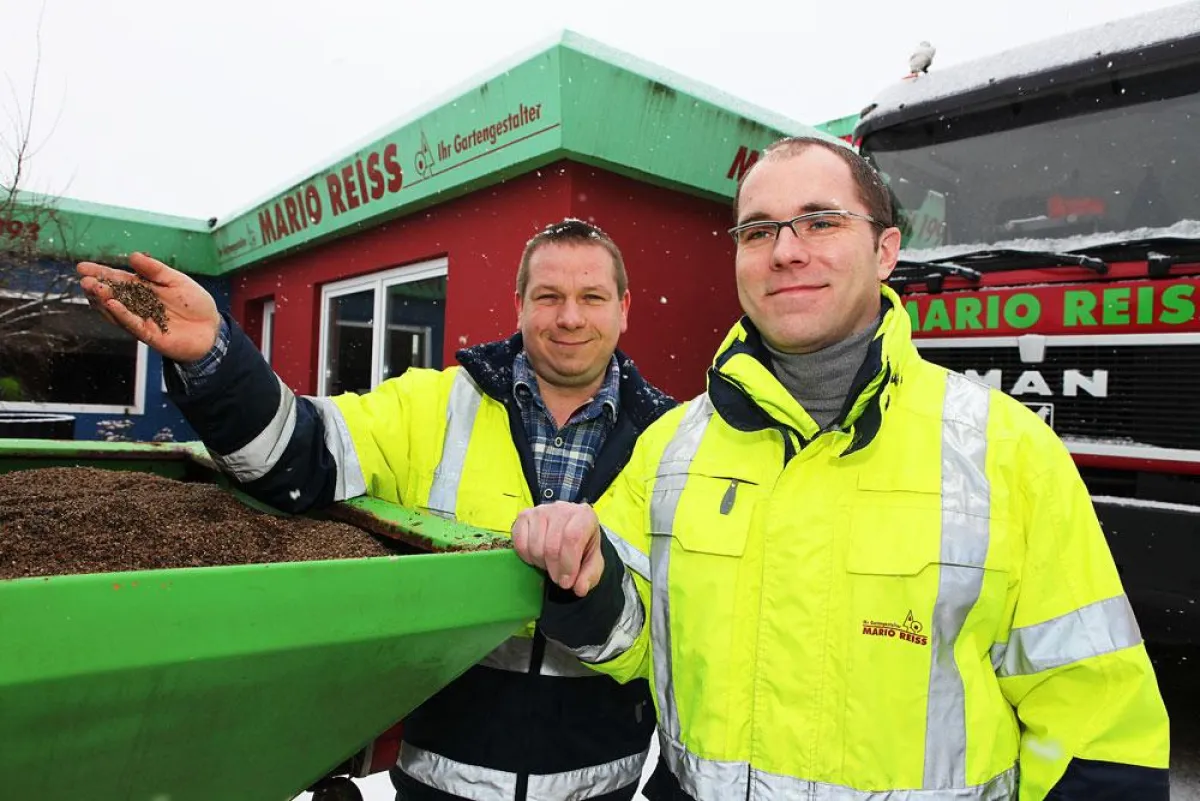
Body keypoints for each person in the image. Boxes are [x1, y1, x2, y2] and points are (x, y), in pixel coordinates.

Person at [510, 138, 1171, 801]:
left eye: (820, 221)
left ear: (886, 251)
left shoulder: (1007, 451)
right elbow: (637, 637)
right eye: (759, 230)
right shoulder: (671, 447)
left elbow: (1099, 727)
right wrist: (588, 579)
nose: (786, 249)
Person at [77, 218, 674, 801]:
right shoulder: (432, 406)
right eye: (549, 296)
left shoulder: (676, 443)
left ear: (624, 307)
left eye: (591, 297)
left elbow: (675, 629)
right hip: (438, 783)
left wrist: (591, 589)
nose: (570, 317)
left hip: (601, 786)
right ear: (518, 302)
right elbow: (297, 453)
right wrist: (217, 358)